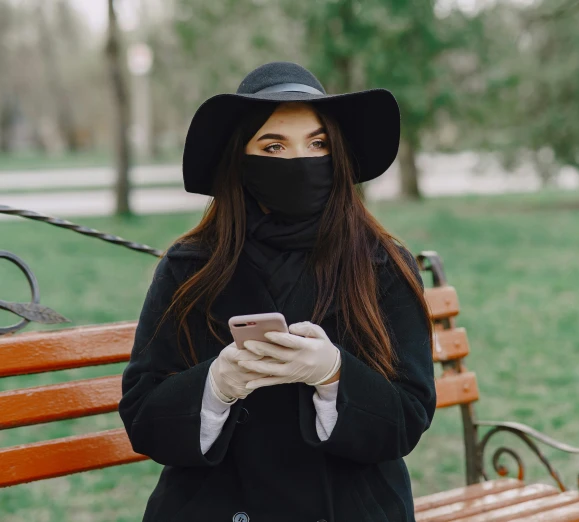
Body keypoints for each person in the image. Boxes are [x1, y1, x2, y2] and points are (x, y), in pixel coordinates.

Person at [118, 61, 437, 522]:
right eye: (274, 145)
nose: (300, 160)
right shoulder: (190, 267)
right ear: (240, 160)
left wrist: (333, 375)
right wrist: (216, 385)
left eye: (317, 143)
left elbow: (408, 416)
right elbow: (144, 417)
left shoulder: (382, 264)